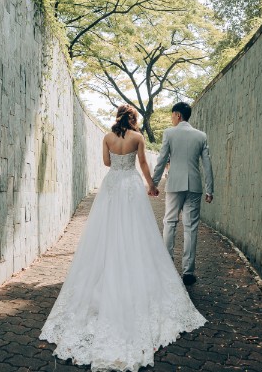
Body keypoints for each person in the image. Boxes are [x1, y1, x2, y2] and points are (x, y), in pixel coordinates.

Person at [39, 105, 206, 371]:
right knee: (136, 231)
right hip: (130, 185)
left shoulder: (106, 137)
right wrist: (152, 185)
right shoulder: (138, 138)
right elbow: (142, 164)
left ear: (117, 118)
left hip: (112, 185)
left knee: (106, 230)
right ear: (134, 120)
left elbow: (106, 163)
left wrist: (117, 161)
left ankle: (106, 272)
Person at [151, 102, 214, 286]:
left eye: (172, 115)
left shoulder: (169, 133)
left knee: (169, 223)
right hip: (194, 186)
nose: (171, 119)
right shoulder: (201, 136)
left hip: (174, 185)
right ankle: (188, 272)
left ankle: (167, 267)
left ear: (178, 115)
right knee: (190, 228)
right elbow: (207, 165)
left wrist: (154, 184)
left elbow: (162, 159)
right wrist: (210, 189)